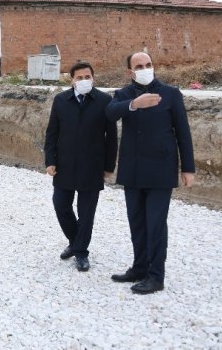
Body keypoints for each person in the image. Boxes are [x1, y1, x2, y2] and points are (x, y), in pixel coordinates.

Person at [106, 51, 195, 294]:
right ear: (130, 72)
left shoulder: (170, 94)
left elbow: (183, 133)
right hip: (133, 170)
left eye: (148, 64)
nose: (145, 68)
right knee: (137, 223)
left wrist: (188, 168)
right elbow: (110, 114)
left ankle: (156, 276)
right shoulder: (123, 95)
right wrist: (134, 105)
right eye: (139, 65)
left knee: (155, 224)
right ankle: (139, 267)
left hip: (160, 170)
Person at [44, 61, 117, 272]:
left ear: (93, 78)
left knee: (86, 214)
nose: (84, 81)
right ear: (72, 80)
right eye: (79, 77)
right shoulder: (60, 100)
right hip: (64, 165)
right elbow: (52, 133)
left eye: (88, 77)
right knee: (61, 205)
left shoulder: (104, 101)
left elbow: (111, 137)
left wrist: (109, 165)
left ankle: (81, 252)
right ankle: (75, 242)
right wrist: (50, 160)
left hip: (92, 166)